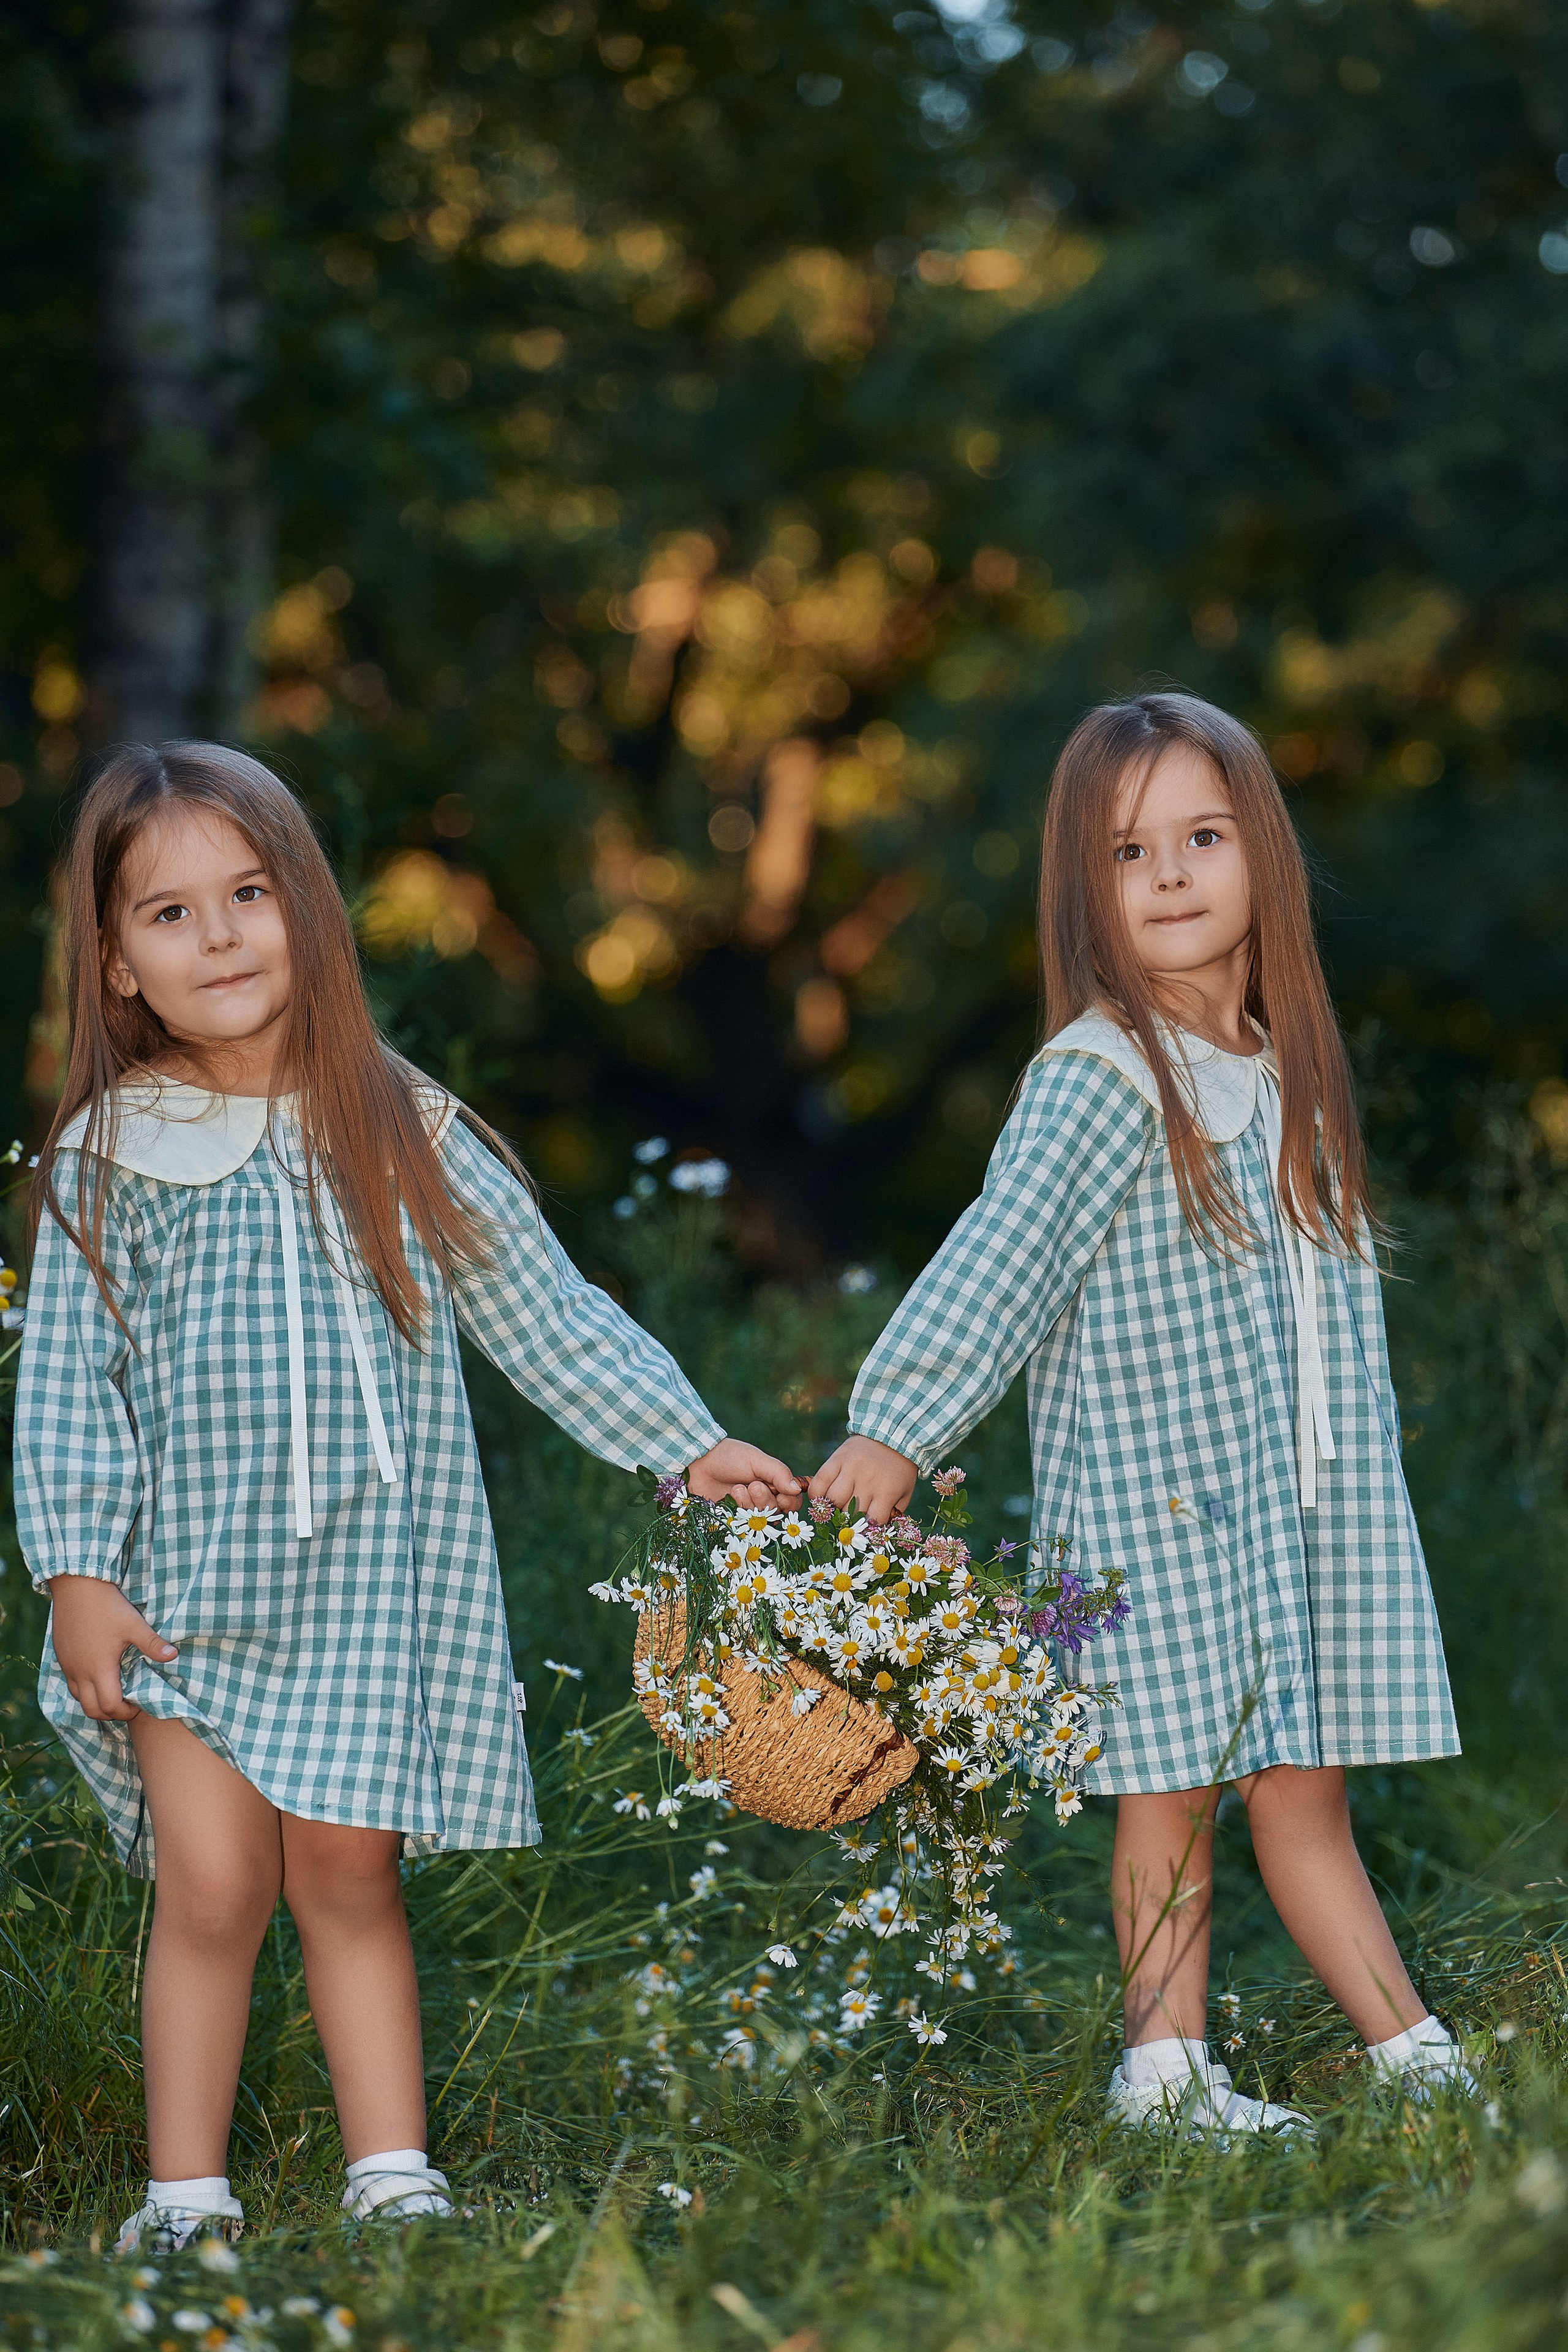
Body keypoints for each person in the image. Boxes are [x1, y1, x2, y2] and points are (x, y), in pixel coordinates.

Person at [14, 742, 799, 2247]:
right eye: (170, 914)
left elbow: (546, 1312)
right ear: (116, 963)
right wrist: (77, 1575)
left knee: (349, 1877)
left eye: (249, 893)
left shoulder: (394, 1118)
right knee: (214, 1883)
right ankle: (184, 2198)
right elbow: (68, 1388)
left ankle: (392, 2175)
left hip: (375, 1583)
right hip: (189, 1596)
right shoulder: (109, 1160)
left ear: (307, 907)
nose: (222, 934)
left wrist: (681, 1443)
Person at [810, 691, 1469, 2139]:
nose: (1169, 875)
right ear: (1083, 893)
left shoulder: (1282, 1065)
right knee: (1167, 1796)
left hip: (1298, 1503)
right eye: (1127, 852)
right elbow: (1001, 1258)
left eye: (1201, 836)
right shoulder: (1103, 1077)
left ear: (1261, 860)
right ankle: (1162, 2073)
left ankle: (1413, 2055)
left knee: (1304, 1791)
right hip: (1157, 1511)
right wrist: (895, 1427)